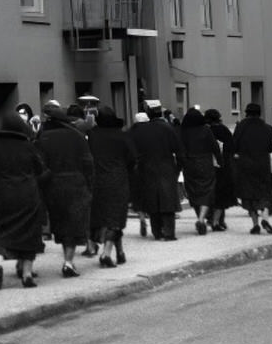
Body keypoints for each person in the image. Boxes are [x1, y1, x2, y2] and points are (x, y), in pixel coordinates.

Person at [0, 109, 47, 288]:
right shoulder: (28, 145)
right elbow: (40, 169)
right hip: (26, 194)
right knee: (29, 233)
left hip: (2, 194)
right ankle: (26, 274)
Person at [34, 99, 93, 277]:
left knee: (60, 224)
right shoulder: (78, 137)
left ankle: (67, 260)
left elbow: (38, 165)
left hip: (54, 186)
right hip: (76, 184)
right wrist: (89, 185)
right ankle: (68, 261)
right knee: (73, 226)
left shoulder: (43, 138)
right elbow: (88, 164)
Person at [87, 105, 135, 267]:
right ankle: (106, 253)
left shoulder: (92, 135)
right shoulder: (122, 136)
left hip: (97, 181)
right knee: (116, 218)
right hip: (118, 180)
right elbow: (133, 158)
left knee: (106, 217)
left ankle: (120, 252)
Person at [130, 100, 182, 241]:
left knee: (153, 201)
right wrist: (178, 168)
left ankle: (157, 232)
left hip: (147, 168)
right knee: (168, 201)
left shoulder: (143, 130)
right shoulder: (168, 128)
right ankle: (169, 232)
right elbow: (178, 150)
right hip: (166, 167)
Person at [231, 103, 272, 234]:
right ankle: (265, 217)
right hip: (262, 164)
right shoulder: (266, 127)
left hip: (246, 165)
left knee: (249, 195)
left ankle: (255, 224)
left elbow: (234, 145)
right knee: (264, 193)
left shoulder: (241, 127)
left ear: (246, 113)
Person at [180, 108, 218, 235]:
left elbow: (180, 150)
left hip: (189, 164)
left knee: (193, 191)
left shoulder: (183, 132)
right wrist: (220, 160)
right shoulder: (206, 130)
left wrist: (180, 165)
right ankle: (201, 219)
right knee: (207, 190)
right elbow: (214, 146)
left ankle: (199, 217)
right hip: (205, 163)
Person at [204, 109, 236, 231]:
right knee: (222, 195)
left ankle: (211, 218)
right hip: (224, 166)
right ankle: (218, 221)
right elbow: (232, 147)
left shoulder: (206, 131)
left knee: (212, 193)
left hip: (209, 166)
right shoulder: (224, 130)